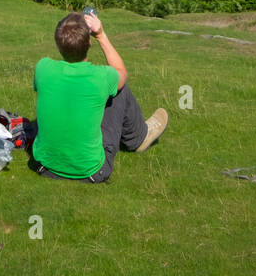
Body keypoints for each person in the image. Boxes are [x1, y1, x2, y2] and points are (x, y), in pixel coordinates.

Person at [32, 11, 168, 183]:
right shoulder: (102, 77)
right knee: (120, 90)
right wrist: (101, 35)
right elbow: (122, 74)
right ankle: (139, 138)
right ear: (89, 42)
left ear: (58, 44)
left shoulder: (43, 68)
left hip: (44, 166)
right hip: (91, 172)